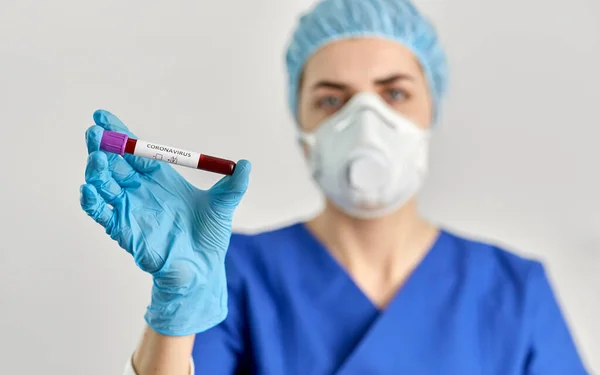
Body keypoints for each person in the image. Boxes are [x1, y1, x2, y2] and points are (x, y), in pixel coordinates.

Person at [80, 0, 589, 374]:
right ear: (301, 127)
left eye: (395, 93)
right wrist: (175, 310)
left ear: (431, 110)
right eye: (330, 100)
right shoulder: (233, 274)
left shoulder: (513, 291)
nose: (366, 122)